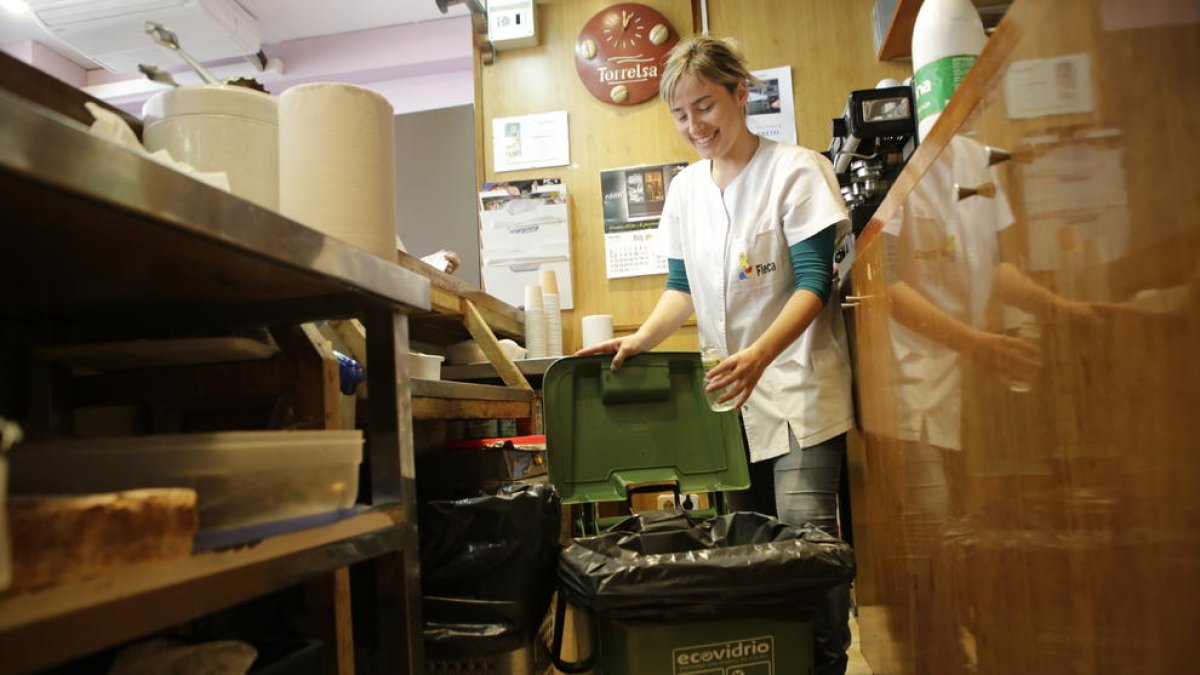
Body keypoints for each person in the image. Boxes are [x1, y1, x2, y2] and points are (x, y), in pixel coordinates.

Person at [576, 34, 854, 675]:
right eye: (680, 114)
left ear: (740, 94)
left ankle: (826, 663)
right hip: (729, 401)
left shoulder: (796, 170)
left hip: (799, 389)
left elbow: (815, 282)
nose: (694, 125)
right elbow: (681, 288)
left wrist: (759, 355)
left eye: (705, 106)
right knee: (746, 558)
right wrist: (640, 339)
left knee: (807, 550)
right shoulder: (684, 192)